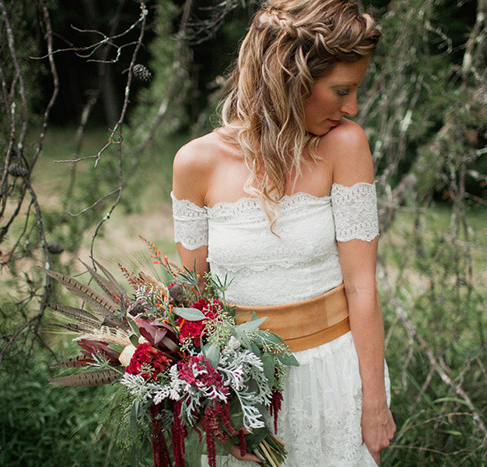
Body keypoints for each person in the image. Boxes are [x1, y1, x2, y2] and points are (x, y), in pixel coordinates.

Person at [171, 0, 396, 465]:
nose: (352, 107)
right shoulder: (195, 164)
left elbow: (361, 285)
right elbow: (194, 305)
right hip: (246, 393)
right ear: (290, 79)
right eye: (340, 90)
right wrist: (218, 412)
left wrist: (374, 402)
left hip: (333, 376)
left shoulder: (345, 145)